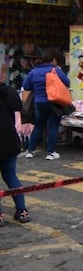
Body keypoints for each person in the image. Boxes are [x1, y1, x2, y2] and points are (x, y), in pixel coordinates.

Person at [22, 48, 70, 161]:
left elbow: (26, 86)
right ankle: (51, 152)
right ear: (53, 60)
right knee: (53, 126)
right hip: (54, 102)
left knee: (38, 125)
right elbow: (67, 82)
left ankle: (30, 151)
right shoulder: (55, 70)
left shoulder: (34, 72)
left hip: (38, 102)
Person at [0, 83, 29, 225]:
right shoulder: (10, 91)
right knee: (11, 176)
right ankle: (22, 210)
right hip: (10, 141)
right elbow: (18, 111)